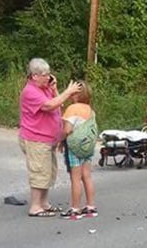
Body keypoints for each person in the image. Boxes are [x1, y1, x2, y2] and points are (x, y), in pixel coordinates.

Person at [19, 58, 81, 217]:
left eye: (48, 74)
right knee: (39, 172)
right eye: (45, 75)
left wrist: (54, 89)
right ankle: (35, 206)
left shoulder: (45, 88)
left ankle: (44, 203)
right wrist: (68, 92)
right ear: (34, 76)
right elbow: (48, 106)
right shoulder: (30, 92)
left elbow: (58, 104)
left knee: (48, 172)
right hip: (36, 139)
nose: (48, 77)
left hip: (48, 139)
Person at [59, 80, 98, 219]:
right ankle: (91, 207)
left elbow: (68, 129)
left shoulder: (72, 109)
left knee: (75, 178)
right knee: (87, 176)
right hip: (88, 146)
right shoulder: (90, 110)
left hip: (75, 148)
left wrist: (60, 139)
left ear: (76, 94)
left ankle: (75, 208)